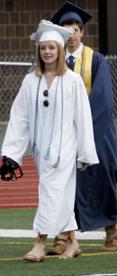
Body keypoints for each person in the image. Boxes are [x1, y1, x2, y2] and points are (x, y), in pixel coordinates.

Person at [2, 21, 98, 261]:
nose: (47, 52)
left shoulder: (72, 81)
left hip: (65, 148)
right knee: (60, 195)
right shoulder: (30, 81)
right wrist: (11, 154)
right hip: (41, 150)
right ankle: (72, 242)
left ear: (60, 50)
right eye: (43, 48)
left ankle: (40, 243)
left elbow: (82, 118)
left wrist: (85, 152)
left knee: (49, 193)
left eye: (52, 47)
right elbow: (19, 118)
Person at [49, 2, 117, 254]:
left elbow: (102, 100)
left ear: (82, 32)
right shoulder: (54, 61)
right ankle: (63, 236)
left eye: (75, 30)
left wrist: (84, 131)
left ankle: (112, 229)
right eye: (66, 31)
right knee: (63, 183)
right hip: (64, 133)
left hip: (96, 131)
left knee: (103, 181)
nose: (71, 35)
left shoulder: (96, 60)